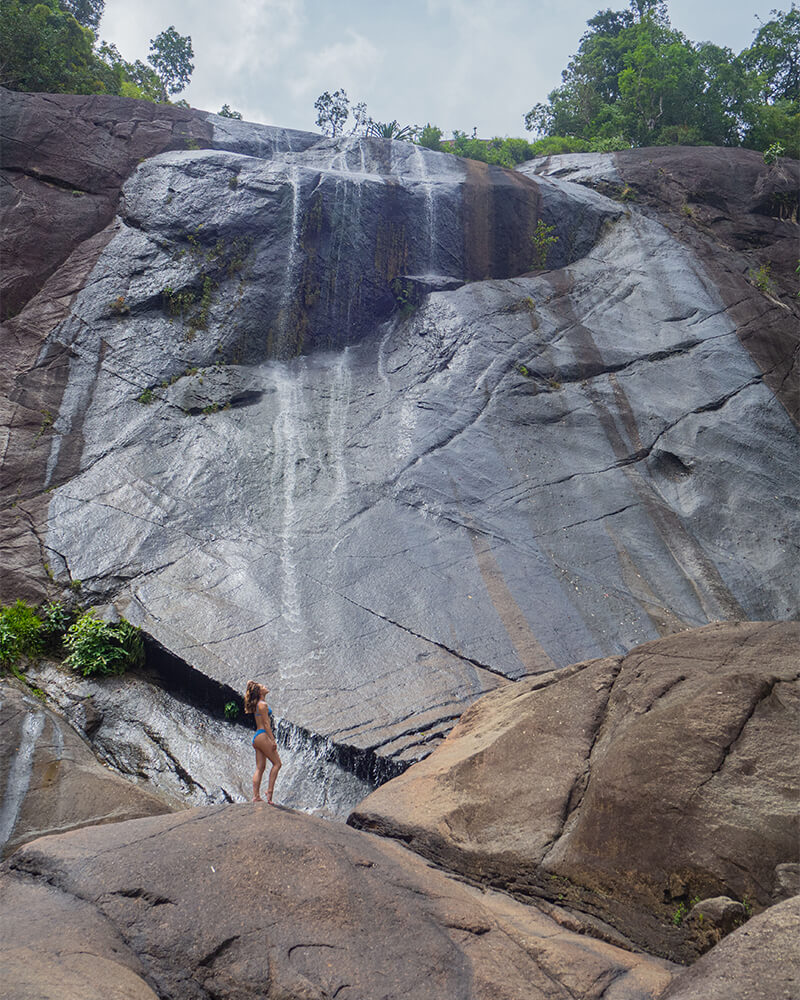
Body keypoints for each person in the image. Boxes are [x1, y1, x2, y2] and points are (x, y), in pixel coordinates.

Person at [244, 680, 282, 803]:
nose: (266, 687)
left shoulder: (258, 704)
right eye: (263, 687)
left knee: (260, 767)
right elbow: (266, 723)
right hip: (263, 735)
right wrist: (272, 740)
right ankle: (269, 792)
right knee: (277, 764)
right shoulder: (263, 705)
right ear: (260, 692)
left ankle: (256, 796)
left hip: (257, 737)